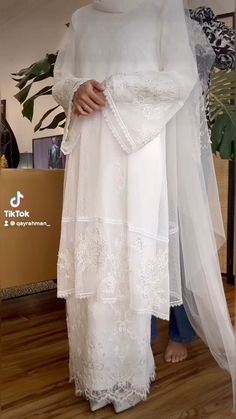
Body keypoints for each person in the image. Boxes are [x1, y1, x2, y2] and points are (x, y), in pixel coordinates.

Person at [52, 0, 235, 413]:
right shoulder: (81, 19)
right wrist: (75, 89)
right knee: (94, 259)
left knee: (132, 252)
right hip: (89, 157)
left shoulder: (163, 8)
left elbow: (181, 78)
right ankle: (93, 370)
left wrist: (113, 89)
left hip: (137, 152)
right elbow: (61, 78)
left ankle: (129, 371)